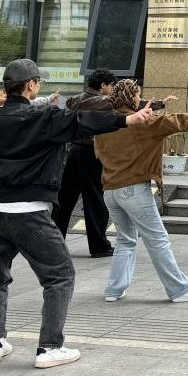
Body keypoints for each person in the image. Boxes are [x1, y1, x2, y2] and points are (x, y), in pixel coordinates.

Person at [0, 59, 155, 369]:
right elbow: (86, 120)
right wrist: (128, 120)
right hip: (29, 213)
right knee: (60, 276)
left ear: (6, 88)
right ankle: (49, 347)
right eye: (39, 83)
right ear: (31, 85)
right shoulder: (44, 118)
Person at [93, 80, 188, 303]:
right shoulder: (142, 123)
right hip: (134, 189)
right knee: (158, 240)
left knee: (125, 240)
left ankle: (114, 290)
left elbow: (98, 154)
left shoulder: (105, 123)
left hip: (110, 191)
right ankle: (179, 290)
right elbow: (174, 121)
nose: (139, 99)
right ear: (130, 98)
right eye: (137, 95)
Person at [52, 69, 117, 257]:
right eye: (111, 86)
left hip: (75, 151)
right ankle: (99, 246)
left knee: (65, 199)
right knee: (95, 199)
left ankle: (54, 243)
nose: (112, 90)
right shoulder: (102, 101)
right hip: (91, 152)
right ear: (103, 85)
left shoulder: (74, 100)